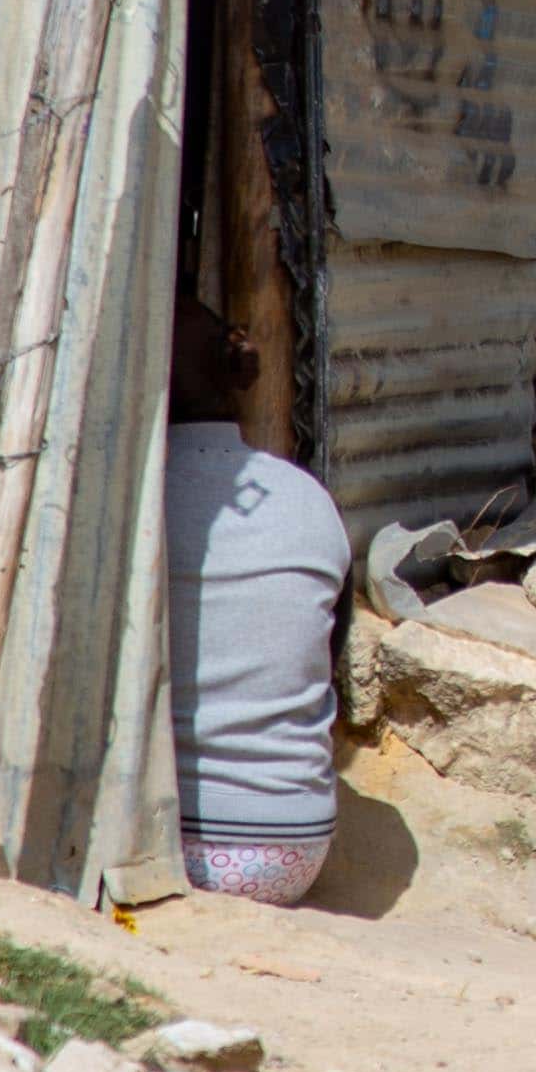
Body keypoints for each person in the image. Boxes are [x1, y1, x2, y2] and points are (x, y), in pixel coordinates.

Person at [166, 306, 349, 906]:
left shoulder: (134, 497)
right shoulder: (309, 498)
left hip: (164, 841)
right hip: (294, 847)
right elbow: (327, 651)